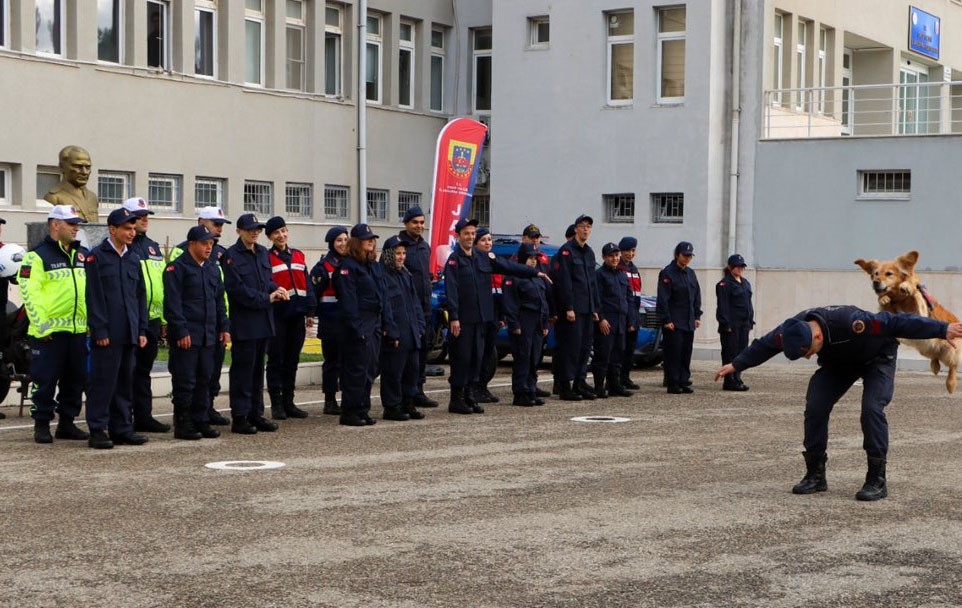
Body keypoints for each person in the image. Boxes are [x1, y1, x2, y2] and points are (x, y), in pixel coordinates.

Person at [716, 306, 962, 501]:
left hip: (878, 358)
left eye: (809, 351)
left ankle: (876, 478)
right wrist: (737, 364)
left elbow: (895, 322)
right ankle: (815, 475)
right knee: (815, 406)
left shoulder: (852, 322)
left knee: (872, 409)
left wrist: (941, 328)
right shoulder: (795, 328)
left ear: (818, 335)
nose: (810, 356)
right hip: (841, 364)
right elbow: (766, 344)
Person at [444, 219, 545, 414]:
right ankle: (456, 399)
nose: (470, 237)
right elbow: (452, 290)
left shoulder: (482, 258)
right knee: (462, 358)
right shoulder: (454, 261)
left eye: (473, 233)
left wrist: (533, 272)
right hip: (464, 319)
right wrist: (454, 317)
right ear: (458, 236)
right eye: (467, 233)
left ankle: (469, 396)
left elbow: (508, 266)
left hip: (482, 318)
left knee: (477, 357)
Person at [20, 206, 90, 444]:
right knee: (45, 381)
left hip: (77, 331)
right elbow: (30, 294)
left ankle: (66, 424)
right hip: (49, 334)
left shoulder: (82, 255)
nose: (76, 227)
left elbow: (88, 292)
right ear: (55, 225)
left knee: (75, 380)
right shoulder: (36, 257)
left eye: (76, 223)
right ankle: (41, 424)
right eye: (70, 223)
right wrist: (43, 328)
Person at [85, 208, 149, 449]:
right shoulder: (97, 257)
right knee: (103, 382)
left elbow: (140, 296)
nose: (131, 233)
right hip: (108, 333)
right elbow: (94, 297)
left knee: (125, 381)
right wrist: (99, 330)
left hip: (130, 331)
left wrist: (141, 329)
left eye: (133, 229)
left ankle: (122, 428)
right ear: (112, 229)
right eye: (126, 228)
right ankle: (98, 428)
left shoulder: (133, 257)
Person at [221, 213, 288, 435]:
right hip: (245, 323)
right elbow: (237, 290)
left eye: (257, 229)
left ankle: (255, 413)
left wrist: (275, 289)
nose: (254, 233)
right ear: (239, 231)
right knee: (243, 370)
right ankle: (240, 416)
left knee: (258, 370)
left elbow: (266, 280)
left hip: (263, 321)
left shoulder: (261, 253)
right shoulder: (231, 256)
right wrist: (265, 299)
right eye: (250, 229)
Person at [164, 226, 230, 440]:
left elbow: (219, 301)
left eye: (211, 243)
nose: (209, 247)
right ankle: (183, 424)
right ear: (191, 244)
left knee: (205, 378)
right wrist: (181, 331)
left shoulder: (211, 268)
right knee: (185, 381)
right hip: (187, 336)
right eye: (204, 243)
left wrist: (224, 328)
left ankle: (201, 420)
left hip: (208, 334)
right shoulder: (177, 268)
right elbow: (173, 305)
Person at [123, 197, 171, 433]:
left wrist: (162, 320)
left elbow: (160, 284)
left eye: (145, 215)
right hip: (130, 320)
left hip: (151, 320)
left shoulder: (152, 246)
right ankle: (124, 417)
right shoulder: (123, 245)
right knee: (126, 371)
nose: (144, 219)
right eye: (138, 215)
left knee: (143, 371)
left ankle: (144, 416)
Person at [333, 224, 388, 426]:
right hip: (358, 323)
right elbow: (349, 300)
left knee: (370, 368)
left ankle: (362, 408)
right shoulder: (348, 267)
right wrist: (357, 327)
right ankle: (350, 411)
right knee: (356, 370)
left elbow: (381, 295)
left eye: (373, 239)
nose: (371, 242)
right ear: (357, 242)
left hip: (373, 322)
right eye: (367, 239)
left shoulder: (372, 265)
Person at [264, 216, 313, 420]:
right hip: (278, 316)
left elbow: (307, 283)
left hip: (297, 315)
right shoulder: (266, 258)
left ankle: (289, 402)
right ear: (270, 237)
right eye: (276, 232)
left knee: (292, 360)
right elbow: (266, 282)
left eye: (284, 231)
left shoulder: (299, 255)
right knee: (277, 360)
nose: (281, 235)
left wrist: (310, 310)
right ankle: (277, 404)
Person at [549, 214, 600, 401]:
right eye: (583, 226)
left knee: (584, 348)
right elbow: (564, 282)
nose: (586, 229)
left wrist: (595, 308)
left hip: (587, 308)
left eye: (589, 226)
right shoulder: (566, 252)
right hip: (573, 310)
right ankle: (565, 386)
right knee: (570, 348)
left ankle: (579, 382)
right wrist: (568, 307)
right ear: (576, 228)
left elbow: (592, 283)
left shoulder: (589, 252)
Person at [396, 206, 440, 408]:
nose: (419, 226)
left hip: (425, 307)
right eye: (415, 222)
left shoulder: (425, 246)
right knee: (409, 353)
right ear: (406, 223)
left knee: (423, 350)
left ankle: (419, 390)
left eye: (422, 222)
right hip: (407, 309)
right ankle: (406, 392)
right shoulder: (397, 246)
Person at [379, 235, 426, 421]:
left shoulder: (405, 274)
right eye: (397, 253)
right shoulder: (382, 275)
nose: (401, 257)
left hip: (412, 331)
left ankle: (408, 402)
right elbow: (385, 307)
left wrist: (420, 326)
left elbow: (415, 303)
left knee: (411, 370)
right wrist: (390, 330)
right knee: (393, 372)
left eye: (404, 253)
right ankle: (392, 406)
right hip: (396, 333)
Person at [502, 243, 550, 406]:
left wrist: (544, 323)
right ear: (522, 258)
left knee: (534, 357)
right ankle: (520, 392)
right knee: (523, 357)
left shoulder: (537, 277)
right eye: (530, 258)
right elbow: (510, 303)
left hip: (537, 321)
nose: (533, 261)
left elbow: (543, 302)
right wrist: (515, 324)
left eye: (535, 258)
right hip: (524, 320)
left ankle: (531, 389)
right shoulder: (513, 277)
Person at [309, 226, 348, 415]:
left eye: (345, 240)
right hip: (331, 322)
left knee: (349, 362)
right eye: (339, 240)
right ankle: (330, 400)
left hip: (348, 321)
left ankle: (348, 397)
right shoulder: (322, 267)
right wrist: (310, 316)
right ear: (331, 243)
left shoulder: (351, 262)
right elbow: (314, 296)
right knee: (332, 363)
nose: (343, 244)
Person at [657, 241, 702, 394]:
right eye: (685, 255)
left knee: (685, 352)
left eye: (690, 256)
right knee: (673, 353)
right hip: (674, 321)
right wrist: (666, 319)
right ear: (677, 255)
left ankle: (683, 380)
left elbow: (696, 295)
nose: (687, 259)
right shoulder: (667, 273)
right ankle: (673, 382)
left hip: (688, 320)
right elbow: (663, 298)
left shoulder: (690, 273)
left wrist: (697, 315)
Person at [592, 243, 634, 399]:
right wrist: (601, 319)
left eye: (616, 255)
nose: (615, 258)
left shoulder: (622, 275)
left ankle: (614, 385)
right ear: (604, 257)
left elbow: (628, 298)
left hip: (621, 321)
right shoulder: (600, 275)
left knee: (617, 355)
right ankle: (599, 386)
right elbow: (597, 299)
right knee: (603, 355)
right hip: (607, 321)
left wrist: (631, 320)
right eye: (611, 256)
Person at [716, 253, 754, 391]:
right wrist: (725, 323)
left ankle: (737, 377)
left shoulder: (745, 283)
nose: (739, 269)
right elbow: (723, 306)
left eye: (741, 266)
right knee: (730, 353)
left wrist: (750, 320)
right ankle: (729, 380)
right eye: (736, 266)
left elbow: (748, 304)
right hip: (731, 325)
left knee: (741, 352)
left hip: (744, 324)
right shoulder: (724, 284)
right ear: (730, 267)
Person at [474, 227, 503, 404]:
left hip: (493, 315)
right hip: (479, 317)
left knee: (489, 354)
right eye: (483, 240)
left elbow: (500, 293)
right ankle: (474, 386)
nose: (487, 243)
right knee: (478, 353)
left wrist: (501, 316)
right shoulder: (475, 261)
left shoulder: (494, 262)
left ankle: (483, 386)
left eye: (489, 239)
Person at [43, 146, 99, 223]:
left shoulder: (92, 197)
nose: (84, 172)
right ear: (62, 167)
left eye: (88, 167)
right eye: (78, 166)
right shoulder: (54, 197)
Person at [617, 236, 643, 391]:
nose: (630, 254)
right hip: (624, 315)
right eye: (627, 250)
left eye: (632, 250)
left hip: (634, 314)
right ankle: (618, 378)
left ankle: (626, 377)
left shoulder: (634, 269)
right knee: (621, 350)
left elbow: (637, 296)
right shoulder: (619, 269)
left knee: (629, 350)